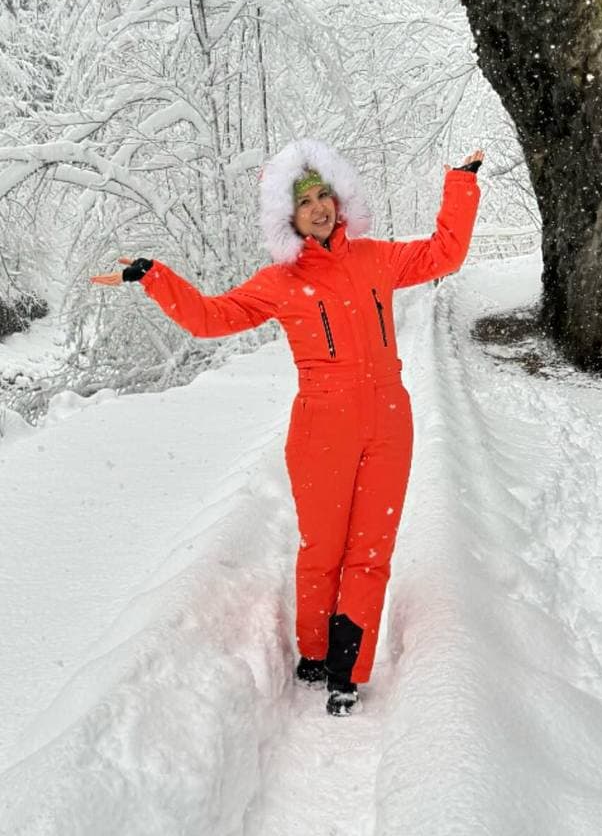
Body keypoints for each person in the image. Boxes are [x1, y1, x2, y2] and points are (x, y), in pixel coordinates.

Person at [91, 138, 482, 715]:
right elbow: (209, 318)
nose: (320, 208)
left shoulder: (376, 259)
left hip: (389, 423)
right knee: (323, 548)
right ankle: (315, 653)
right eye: (306, 202)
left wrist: (460, 185)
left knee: (370, 549)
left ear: (341, 199)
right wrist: (155, 278)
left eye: (326, 195)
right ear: (288, 216)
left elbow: (443, 255)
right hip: (322, 427)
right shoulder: (281, 282)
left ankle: (349, 667)